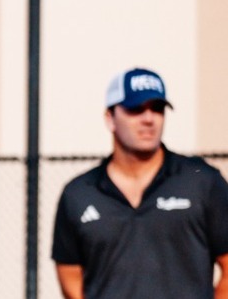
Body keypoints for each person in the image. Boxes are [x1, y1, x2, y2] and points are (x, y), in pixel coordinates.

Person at [51, 68, 228, 299]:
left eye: (157, 109)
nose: (148, 119)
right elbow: (70, 274)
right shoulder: (79, 194)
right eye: (135, 109)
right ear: (110, 119)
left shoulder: (201, 181)